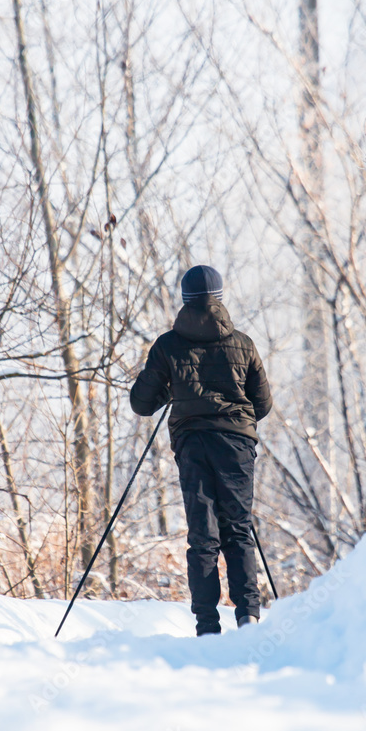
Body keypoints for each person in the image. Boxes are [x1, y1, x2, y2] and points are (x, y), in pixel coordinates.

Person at [130, 265, 273, 636]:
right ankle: (248, 619)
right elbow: (263, 403)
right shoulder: (243, 343)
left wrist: (171, 390)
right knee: (239, 529)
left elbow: (142, 404)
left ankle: (208, 627)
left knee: (202, 536)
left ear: (184, 299)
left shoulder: (168, 345)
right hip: (237, 445)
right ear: (221, 298)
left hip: (193, 445)